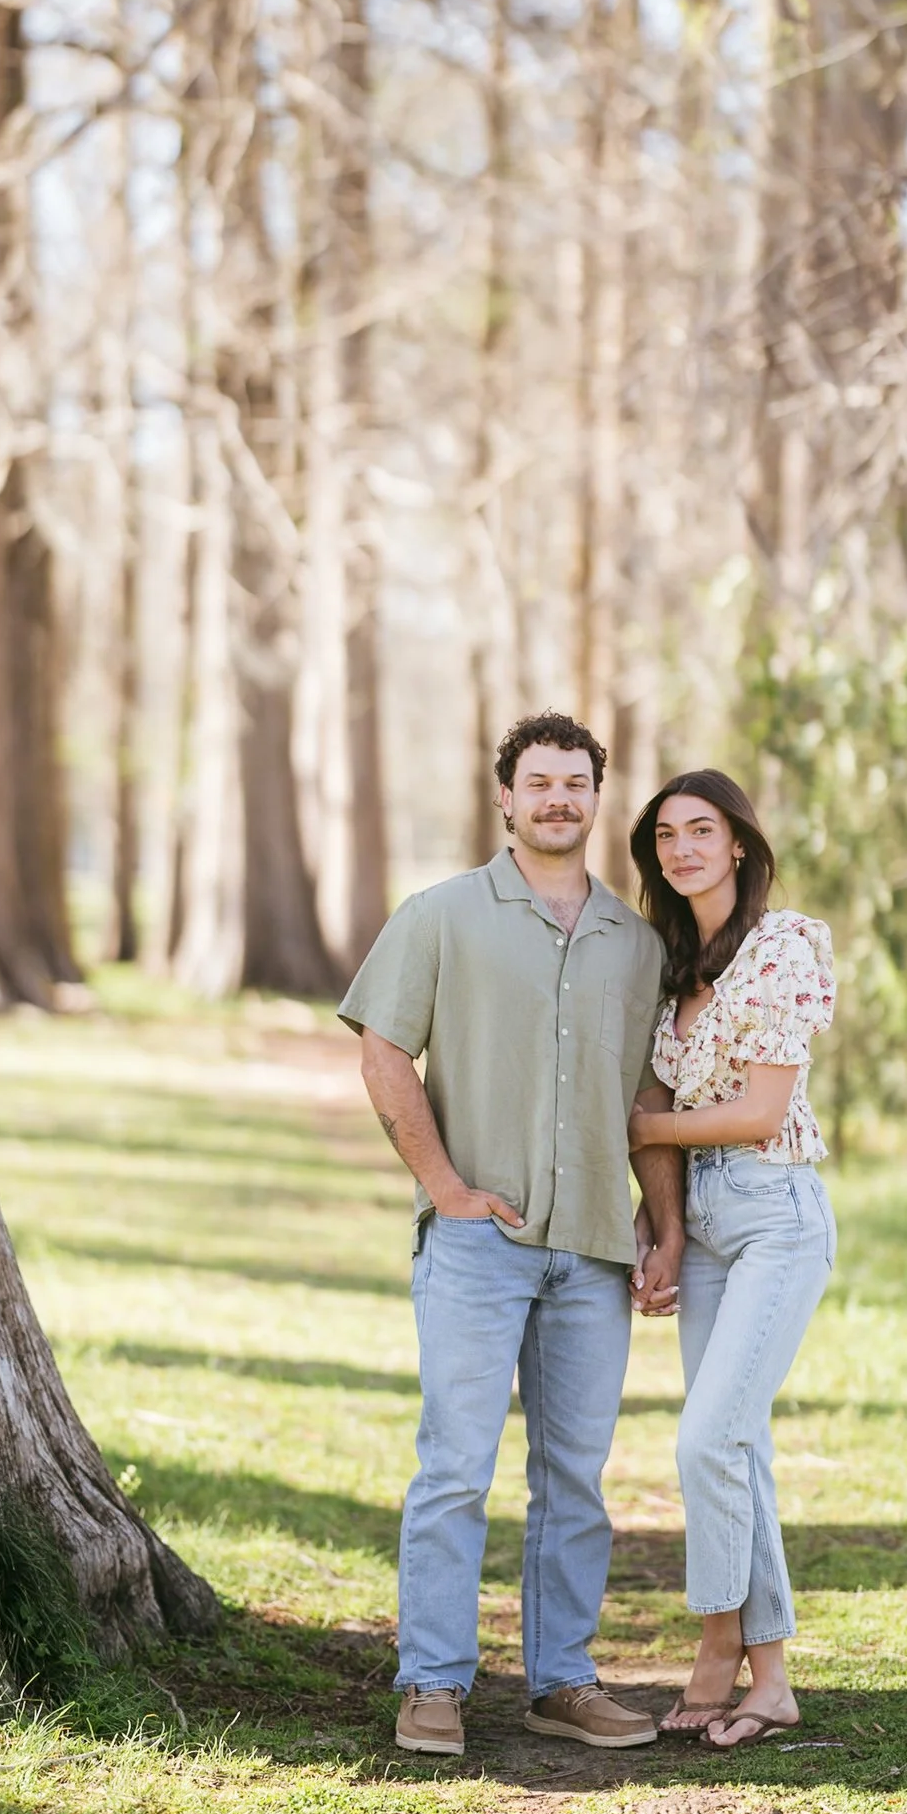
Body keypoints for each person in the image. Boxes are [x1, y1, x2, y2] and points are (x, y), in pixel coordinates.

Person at [338, 711, 684, 1759]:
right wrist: (443, 1184)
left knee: (574, 1476)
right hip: (477, 1243)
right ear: (504, 796)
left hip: (591, 1250)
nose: (556, 800)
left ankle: (560, 1681)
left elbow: (647, 1093)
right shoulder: (440, 914)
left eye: (574, 783)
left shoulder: (636, 942)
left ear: (594, 795)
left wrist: (662, 1224)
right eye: (537, 782)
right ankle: (432, 1681)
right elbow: (384, 1051)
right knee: (454, 1464)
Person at [627, 768, 836, 1751]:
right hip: (704, 1215)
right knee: (734, 1444)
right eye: (665, 834)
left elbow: (757, 1110)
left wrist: (650, 1122)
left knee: (704, 1438)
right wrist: (660, 1226)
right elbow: (666, 1135)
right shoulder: (672, 964)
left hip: (772, 1209)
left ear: (738, 843)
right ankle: (773, 1680)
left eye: (700, 829)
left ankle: (716, 1644)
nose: (681, 848)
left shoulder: (780, 944)